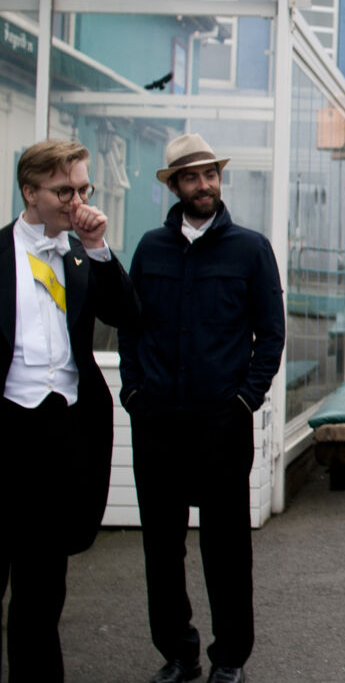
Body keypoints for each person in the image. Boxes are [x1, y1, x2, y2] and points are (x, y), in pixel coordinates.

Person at [118, 133, 285, 683]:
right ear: (174, 186)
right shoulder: (150, 249)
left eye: (211, 173)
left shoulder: (251, 250)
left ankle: (229, 658)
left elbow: (271, 334)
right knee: (162, 550)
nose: (204, 184)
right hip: (158, 421)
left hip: (221, 424)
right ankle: (177, 651)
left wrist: (245, 398)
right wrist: (134, 391)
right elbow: (131, 329)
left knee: (227, 550)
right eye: (192, 176)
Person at [1, 138, 137, 682]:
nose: (77, 200)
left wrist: (99, 247)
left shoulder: (83, 255)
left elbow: (128, 313)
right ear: (30, 192)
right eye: (64, 190)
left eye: (83, 188)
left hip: (61, 433)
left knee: (41, 588)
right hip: (6, 428)